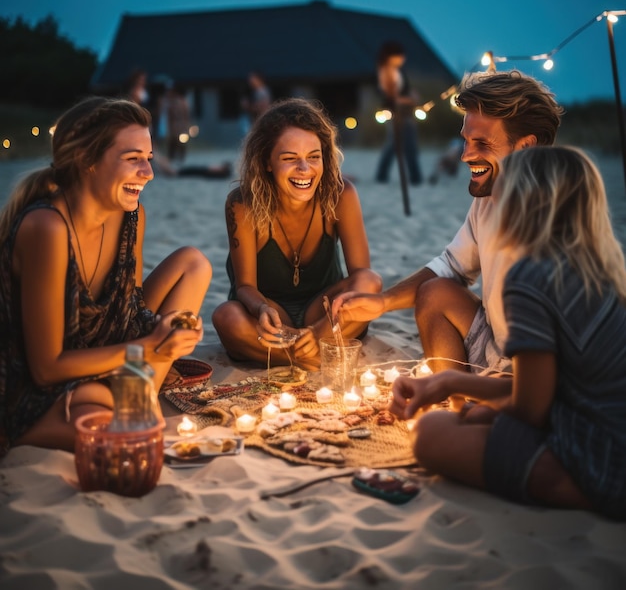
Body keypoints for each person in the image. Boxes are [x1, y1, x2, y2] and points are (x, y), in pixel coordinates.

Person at [390, 146, 626, 520]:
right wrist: (449, 384)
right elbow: (545, 392)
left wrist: (460, 394)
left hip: (594, 448)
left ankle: (577, 487)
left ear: (523, 206)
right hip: (589, 420)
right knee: (468, 418)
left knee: (432, 431)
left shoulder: (530, 278)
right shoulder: (599, 271)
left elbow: (531, 409)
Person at [0, 96, 212, 456]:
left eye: (148, 158)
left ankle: (132, 396)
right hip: (36, 386)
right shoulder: (47, 228)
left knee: (193, 263)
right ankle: (127, 401)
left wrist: (171, 331)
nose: (149, 173)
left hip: (103, 352)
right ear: (87, 161)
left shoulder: (131, 216)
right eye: (133, 160)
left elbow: (130, 311)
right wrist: (149, 348)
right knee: (121, 439)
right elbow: (46, 369)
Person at [334, 70, 563, 380]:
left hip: (538, 377)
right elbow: (452, 267)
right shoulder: (489, 197)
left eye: (482, 143)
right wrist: (382, 302)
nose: (466, 155)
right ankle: (455, 395)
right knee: (435, 292)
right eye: (465, 142)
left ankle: (457, 394)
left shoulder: (554, 223)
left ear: (525, 147)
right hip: (495, 347)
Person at [212, 98, 382, 370]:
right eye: (290, 158)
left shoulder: (341, 194)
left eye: (313, 157)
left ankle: (307, 347)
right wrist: (261, 309)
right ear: (267, 161)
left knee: (371, 283)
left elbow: (362, 275)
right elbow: (245, 287)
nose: (305, 170)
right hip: (271, 316)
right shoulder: (242, 203)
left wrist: (319, 330)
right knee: (225, 317)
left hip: (325, 313)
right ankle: (312, 356)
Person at [374, 41, 423, 185]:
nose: (402, 59)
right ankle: (415, 177)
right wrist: (410, 100)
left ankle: (382, 175)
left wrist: (411, 95)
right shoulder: (387, 72)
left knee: (395, 145)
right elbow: (391, 97)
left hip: (404, 113)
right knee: (405, 145)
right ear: (391, 56)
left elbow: (402, 91)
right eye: (400, 56)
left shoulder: (397, 71)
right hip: (397, 114)